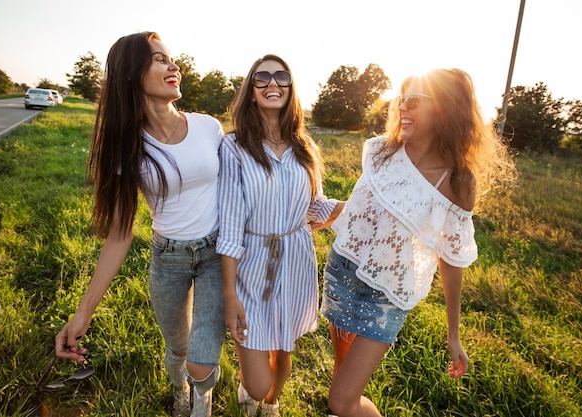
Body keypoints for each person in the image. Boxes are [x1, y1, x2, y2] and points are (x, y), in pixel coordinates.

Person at [320, 68, 516, 417]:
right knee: (342, 380)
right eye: (401, 99)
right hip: (343, 276)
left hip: (386, 297)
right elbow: (369, 209)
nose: (402, 108)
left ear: (443, 108)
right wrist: (324, 212)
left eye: (414, 101)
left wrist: (453, 334)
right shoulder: (382, 152)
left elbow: (452, 258)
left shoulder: (457, 180)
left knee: (342, 399)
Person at [54, 31, 226, 417]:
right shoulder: (127, 147)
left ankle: (202, 400)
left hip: (216, 253)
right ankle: (180, 387)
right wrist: (83, 313)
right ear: (131, 73)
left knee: (202, 358)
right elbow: (119, 235)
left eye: (171, 57)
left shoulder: (208, 127)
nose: (173, 65)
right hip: (169, 259)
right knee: (178, 348)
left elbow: (241, 188)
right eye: (159, 59)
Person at [216, 54, 344, 417]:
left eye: (281, 76)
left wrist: (360, 201)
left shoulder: (303, 147)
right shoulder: (234, 147)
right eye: (263, 78)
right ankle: (254, 389)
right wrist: (230, 294)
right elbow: (228, 225)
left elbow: (315, 207)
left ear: (290, 88)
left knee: (284, 354)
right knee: (256, 381)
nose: (273, 83)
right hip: (252, 263)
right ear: (251, 90)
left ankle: (272, 403)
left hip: (295, 260)